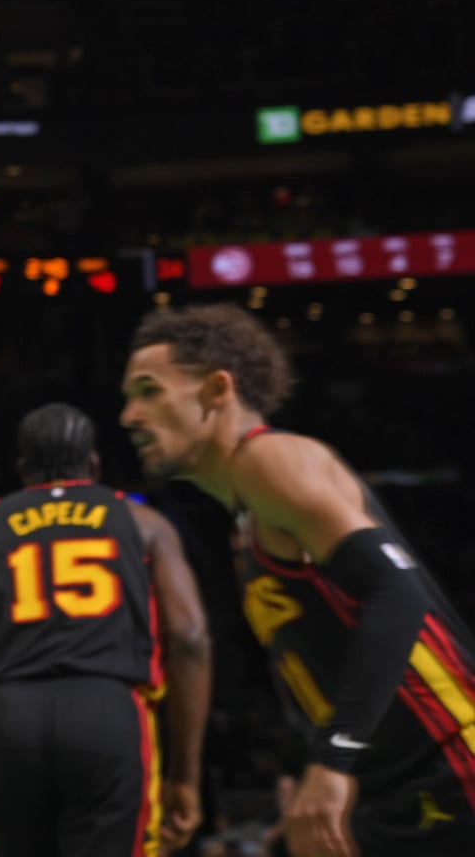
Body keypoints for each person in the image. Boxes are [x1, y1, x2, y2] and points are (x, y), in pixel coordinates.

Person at [123, 303, 475, 857]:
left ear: (218, 391)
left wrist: (332, 760)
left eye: (149, 391)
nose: (130, 415)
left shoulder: (270, 459)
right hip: (393, 788)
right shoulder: (245, 518)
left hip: (453, 763)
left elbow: (398, 594)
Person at [0, 403, 212, 856]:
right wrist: (185, 774)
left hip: (9, 717)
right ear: (93, 465)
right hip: (106, 707)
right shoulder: (144, 523)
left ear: (23, 468)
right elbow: (189, 637)